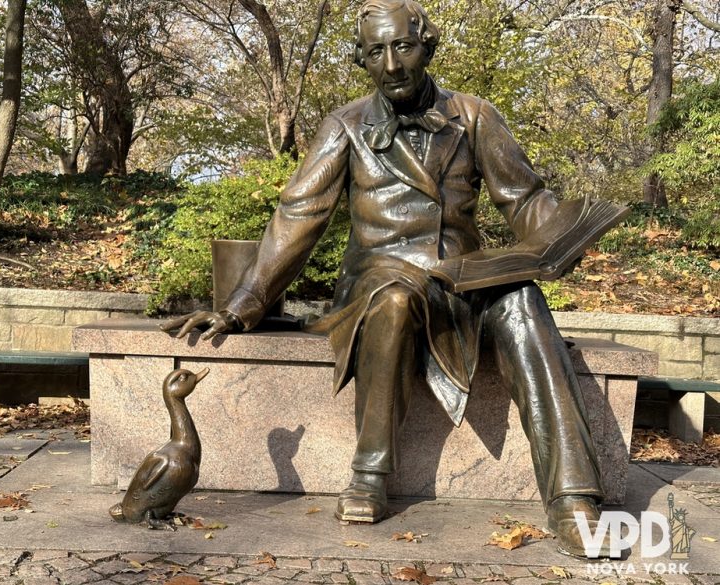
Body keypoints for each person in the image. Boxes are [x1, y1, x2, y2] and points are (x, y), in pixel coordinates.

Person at [163, 0, 613, 558]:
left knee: (523, 298)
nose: (393, 63)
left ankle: (572, 496)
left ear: (426, 46)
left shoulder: (473, 116)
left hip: (459, 281)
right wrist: (244, 301)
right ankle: (370, 472)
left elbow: (524, 201)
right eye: (377, 51)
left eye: (402, 46)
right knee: (396, 298)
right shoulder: (346, 126)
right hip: (380, 279)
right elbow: (298, 217)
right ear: (362, 59)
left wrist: (565, 234)